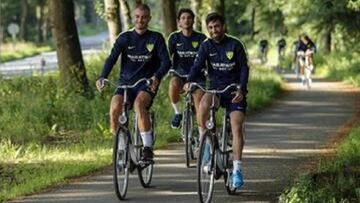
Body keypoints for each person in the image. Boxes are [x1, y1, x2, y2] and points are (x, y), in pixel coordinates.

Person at [96, 4, 171, 163]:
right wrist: (102, 76)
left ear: (149, 19)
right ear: (133, 18)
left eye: (144, 17)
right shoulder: (124, 37)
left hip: (146, 83)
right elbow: (111, 59)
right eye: (137, 17)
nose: (140, 20)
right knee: (114, 109)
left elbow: (166, 62)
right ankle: (122, 148)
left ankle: (147, 149)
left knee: (138, 105)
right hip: (125, 83)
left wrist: (156, 77)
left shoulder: (156, 38)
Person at [185, 12, 249, 189]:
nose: (214, 30)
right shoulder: (206, 46)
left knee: (236, 126)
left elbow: (244, 68)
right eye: (211, 28)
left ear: (224, 27)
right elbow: (197, 66)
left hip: (234, 90)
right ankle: (206, 143)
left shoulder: (235, 45)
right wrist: (190, 81)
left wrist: (241, 89)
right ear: (208, 29)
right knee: (203, 105)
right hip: (215, 89)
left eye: (217, 27)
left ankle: (237, 170)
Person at [168, 8, 206, 129]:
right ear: (179, 22)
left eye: (189, 18)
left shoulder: (201, 38)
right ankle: (178, 113)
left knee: (199, 101)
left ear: (193, 20)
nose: (186, 20)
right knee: (173, 84)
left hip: (197, 76)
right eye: (183, 18)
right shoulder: (174, 38)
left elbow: (207, 57)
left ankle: (202, 136)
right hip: (180, 75)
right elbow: (167, 57)